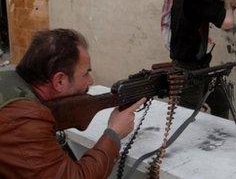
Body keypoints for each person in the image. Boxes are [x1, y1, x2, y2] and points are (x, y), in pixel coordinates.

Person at [0, 28, 146, 178]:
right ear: (60, 81)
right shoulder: (24, 121)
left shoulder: (8, 81)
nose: (91, 81)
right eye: (85, 73)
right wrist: (114, 133)